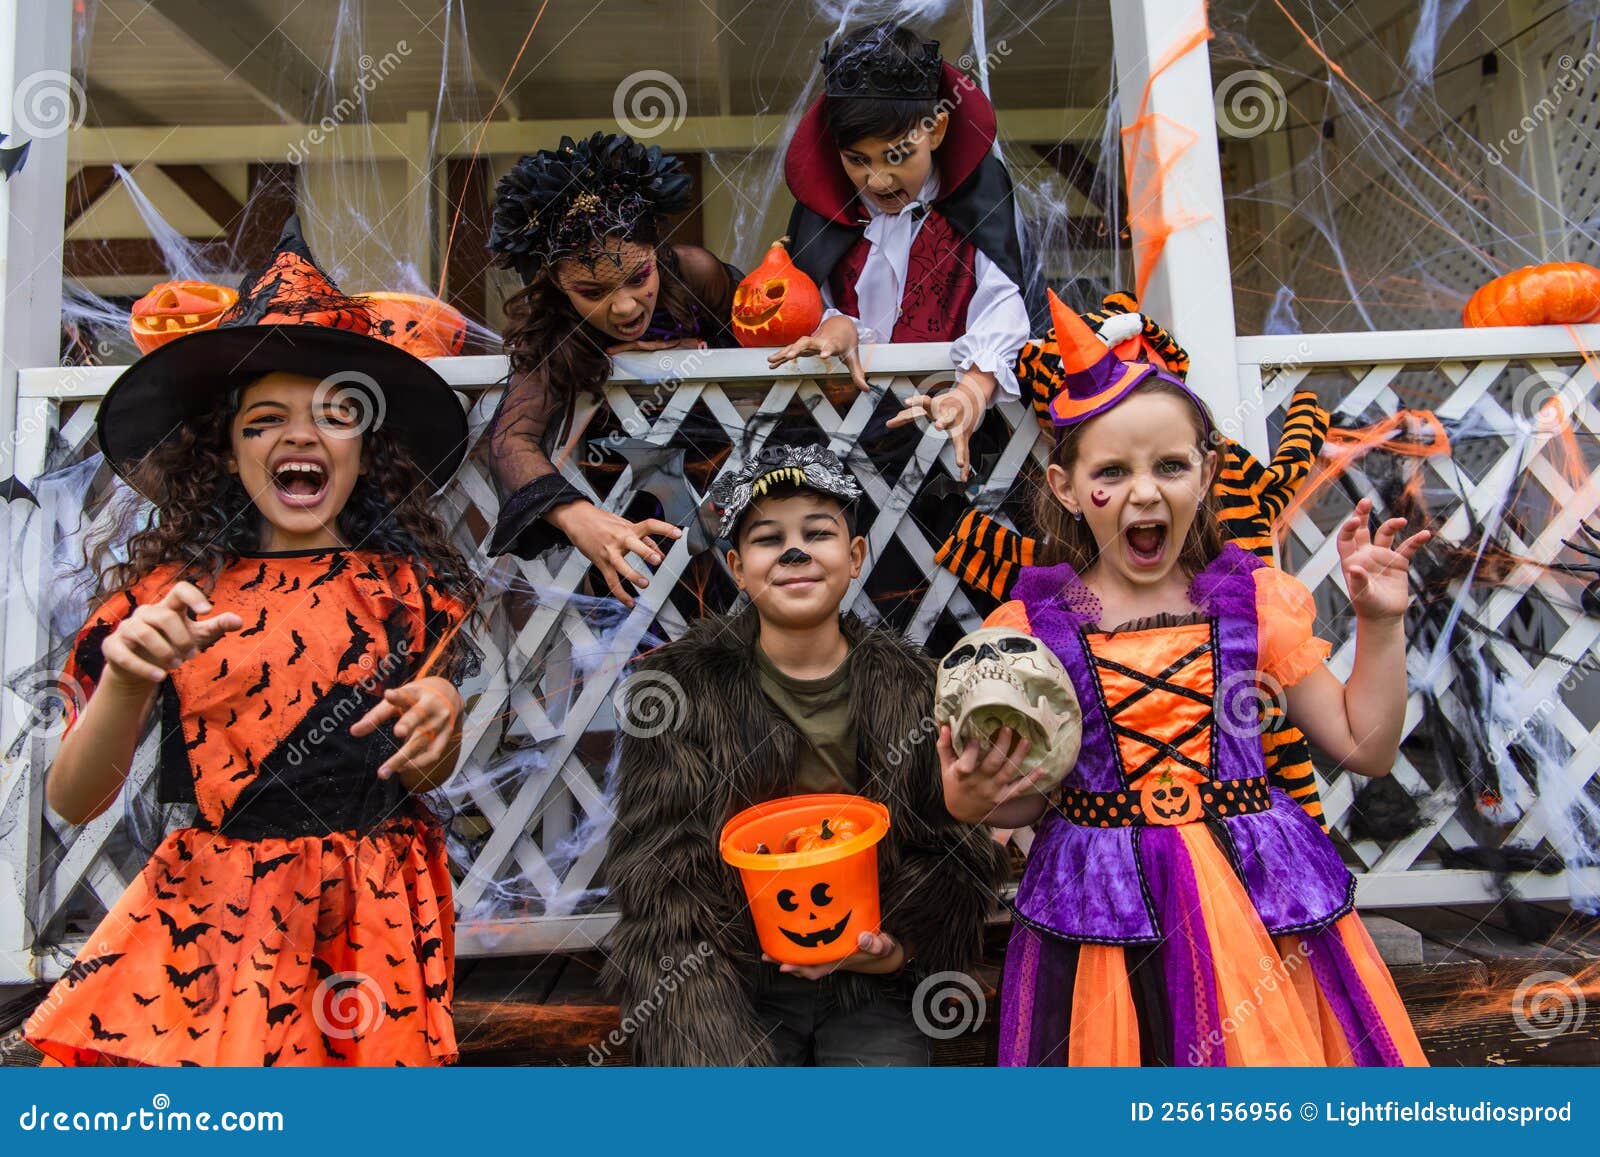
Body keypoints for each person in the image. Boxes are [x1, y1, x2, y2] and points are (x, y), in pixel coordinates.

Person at [24, 217, 478, 1066]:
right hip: (221, 915)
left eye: (333, 416)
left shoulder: (406, 596)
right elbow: (74, 800)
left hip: (371, 908)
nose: (299, 436)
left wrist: (444, 713)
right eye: (264, 420)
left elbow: (416, 767)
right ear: (228, 454)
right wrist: (125, 678)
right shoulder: (170, 601)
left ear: (365, 447)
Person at [941, 291, 1430, 1066]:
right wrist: (973, 797)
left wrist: (1381, 622)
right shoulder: (1031, 630)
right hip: (1103, 920)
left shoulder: (1253, 603)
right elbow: (1030, 794)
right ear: (1066, 487)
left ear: (1205, 473)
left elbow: (1364, 747)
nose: (1145, 491)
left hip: (1258, 907)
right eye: (1112, 470)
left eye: (1170, 465)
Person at [604, 444, 1007, 1065]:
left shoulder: (918, 689)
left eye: (817, 533)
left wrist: (897, 945)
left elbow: (954, 848)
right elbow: (659, 867)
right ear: (738, 568)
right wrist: (718, 982)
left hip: (872, 972)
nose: (794, 551)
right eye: (770, 539)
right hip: (739, 971)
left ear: (854, 559)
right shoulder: (684, 689)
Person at [772, 23, 1048, 480]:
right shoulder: (823, 212)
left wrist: (971, 393)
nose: (877, 181)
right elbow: (807, 307)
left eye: (897, 154)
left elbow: (1003, 304)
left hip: (962, 438)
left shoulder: (977, 198)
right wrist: (833, 324)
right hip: (843, 440)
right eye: (857, 160)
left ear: (936, 129)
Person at [485, 131, 743, 606]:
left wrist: (702, 353)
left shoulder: (695, 275)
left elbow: (772, 338)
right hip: (626, 502)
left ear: (655, 250)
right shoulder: (551, 329)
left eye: (638, 277)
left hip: (736, 475)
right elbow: (509, 439)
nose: (625, 307)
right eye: (592, 291)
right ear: (558, 286)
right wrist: (577, 515)